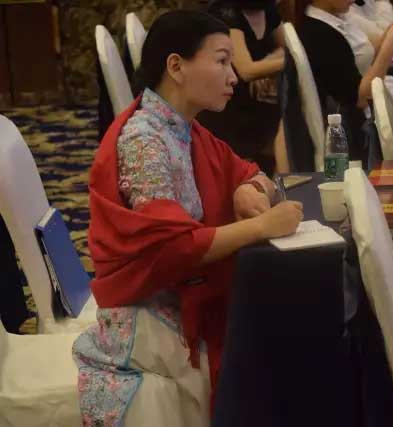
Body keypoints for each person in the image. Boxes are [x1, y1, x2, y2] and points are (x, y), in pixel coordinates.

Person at [72, 11, 303, 426]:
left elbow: (252, 173)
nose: (234, 76)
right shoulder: (145, 141)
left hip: (187, 290)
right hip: (148, 307)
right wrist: (260, 227)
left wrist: (247, 189)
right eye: (221, 61)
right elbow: (173, 248)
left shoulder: (183, 127)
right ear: (176, 67)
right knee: (274, 343)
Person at [294, 0, 393, 161]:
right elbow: (360, 98)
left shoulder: (337, 17)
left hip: (382, 100)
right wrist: (389, 46)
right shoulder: (318, 33)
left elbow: (359, 63)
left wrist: (387, 38)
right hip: (364, 126)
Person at [199, 0, 286, 175]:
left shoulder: (268, 10)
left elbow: (288, 46)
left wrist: (270, 60)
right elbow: (246, 70)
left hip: (258, 104)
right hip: (226, 108)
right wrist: (292, 61)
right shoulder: (225, 13)